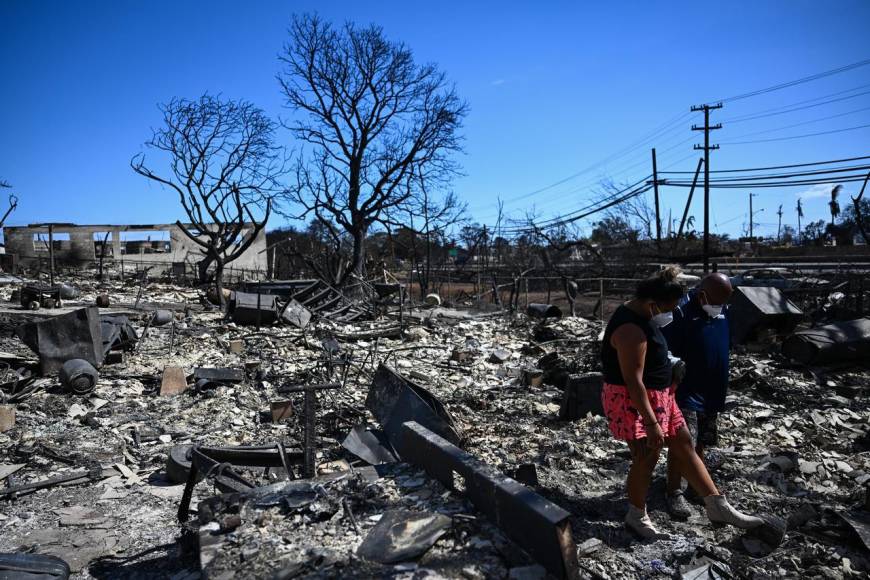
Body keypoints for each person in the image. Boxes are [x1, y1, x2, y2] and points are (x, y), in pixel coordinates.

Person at [600, 266, 762, 539]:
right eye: (670, 308)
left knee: (685, 443)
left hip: (660, 396)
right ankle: (636, 515)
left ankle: (716, 504)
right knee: (646, 457)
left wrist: (670, 366)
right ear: (652, 304)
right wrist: (651, 422)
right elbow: (633, 381)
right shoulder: (630, 329)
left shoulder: (644, 316)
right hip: (635, 402)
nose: (673, 313)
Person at [662, 272, 734, 519]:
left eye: (723, 303)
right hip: (687, 390)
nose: (720, 307)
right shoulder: (681, 313)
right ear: (703, 295)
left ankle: (695, 484)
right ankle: (674, 491)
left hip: (712, 389)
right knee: (682, 443)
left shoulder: (722, 310)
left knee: (701, 440)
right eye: (716, 302)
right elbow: (667, 351)